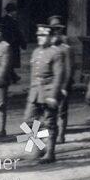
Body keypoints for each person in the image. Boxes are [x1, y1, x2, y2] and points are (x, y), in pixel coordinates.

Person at [24, 24, 63, 163]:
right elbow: (33, 74)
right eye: (38, 35)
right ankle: (40, 146)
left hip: (48, 90)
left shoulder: (55, 53)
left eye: (43, 35)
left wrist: (53, 95)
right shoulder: (36, 52)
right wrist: (31, 91)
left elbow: (58, 76)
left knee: (50, 123)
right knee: (28, 121)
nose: (40, 38)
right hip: (35, 91)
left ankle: (50, 153)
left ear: (50, 37)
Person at [47, 15, 73, 144]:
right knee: (49, 111)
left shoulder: (65, 47)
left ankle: (61, 135)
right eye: (53, 29)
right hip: (49, 83)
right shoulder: (48, 47)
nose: (55, 31)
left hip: (61, 83)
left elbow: (68, 68)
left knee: (62, 110)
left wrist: (64, 87)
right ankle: (46, 136)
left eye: (58, 28)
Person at [0, 3, 26, 84]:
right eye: (14, 11)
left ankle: (13, 77)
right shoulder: (12, 21)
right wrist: (22, 43)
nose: (16, 12)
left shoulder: (4, 20)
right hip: (12, 44)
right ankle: (13, 77)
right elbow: (18, 33)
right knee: (10, 61)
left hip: (9, 43)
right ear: (11, 11)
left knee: (9, 61)